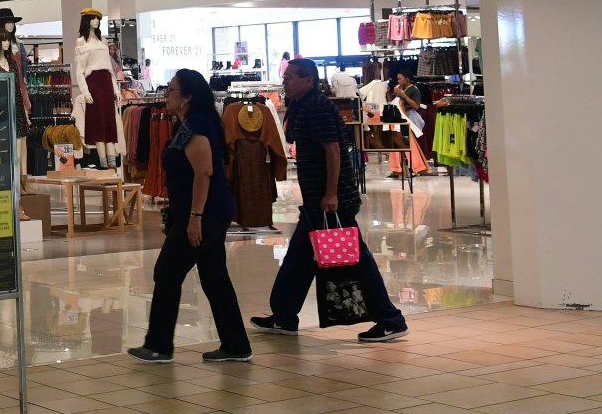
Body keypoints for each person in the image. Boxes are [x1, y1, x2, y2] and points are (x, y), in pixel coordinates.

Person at [251, 58, 409, 343]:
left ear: (309, 80)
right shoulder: (303, 106)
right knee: (298, 259)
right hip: (316, 200)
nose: (285, 81)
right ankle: (284, 316)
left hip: (332, 200)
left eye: (291, 77)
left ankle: (390, 319)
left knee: (357, 259)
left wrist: (331, 193)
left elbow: (333, 151)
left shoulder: (318, 108)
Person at [129, 69, 253, 364]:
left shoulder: (196, 126)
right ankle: (236, 345)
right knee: (214, 277)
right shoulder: (189, 124)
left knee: (167, 272)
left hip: (203, 214)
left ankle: (158, 345)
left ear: (187, 97)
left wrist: (195, 217)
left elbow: (205, 172)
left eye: (171, 90)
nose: (165, 95)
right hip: (207, 211)